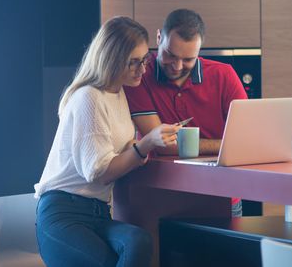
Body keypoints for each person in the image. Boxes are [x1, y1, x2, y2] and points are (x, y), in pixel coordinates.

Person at [34, 16, 181, 267]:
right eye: (133, 63)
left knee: (139, 240)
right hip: (63, 214)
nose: (142, 70)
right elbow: (99, 173)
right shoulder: (89, 98)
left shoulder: (118, 94)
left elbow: (119, 155)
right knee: (111, 260)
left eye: (144, 60)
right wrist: (145, 144)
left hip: (99, 213)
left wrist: (146, 145)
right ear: (111, 59)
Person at [123, 8, 248, 215]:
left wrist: (233, 146)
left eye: (188, 59)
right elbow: (162, 144)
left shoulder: (224, 75)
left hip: (222, 194)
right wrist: (225, 146)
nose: (177, 66)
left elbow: (246, 140)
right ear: (159, 37)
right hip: (160, 195)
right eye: (170, 55)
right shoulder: (138, 78)